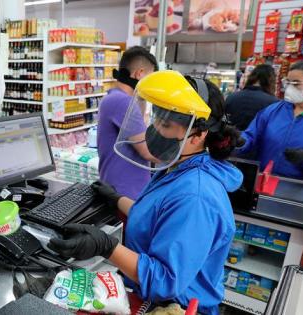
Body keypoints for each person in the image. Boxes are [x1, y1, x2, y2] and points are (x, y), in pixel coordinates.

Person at [50, 71, 243, 315]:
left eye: (165, 124)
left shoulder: (196, 196)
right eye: (156, 119)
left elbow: (165, 281)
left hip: (173, 307)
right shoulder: (179, 168)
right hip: (151, 295)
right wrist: (117, 199)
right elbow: (160, 218)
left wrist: (106, 246)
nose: (154, 129)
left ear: (198, 134)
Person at [97, 46, 159, 212]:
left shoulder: (117, 98)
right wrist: (183, 155)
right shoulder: (122, 102)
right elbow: (146, 151)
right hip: (125, 195)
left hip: (123, 190)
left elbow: (141, 126)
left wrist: (144, 95)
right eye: (150, 77)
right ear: (139, 74)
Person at [237, 60, 303, 180]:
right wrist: (239, 141)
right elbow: (251, 136)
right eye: (288, 83)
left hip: (300, 189)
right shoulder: (273, 111)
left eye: (296, 83)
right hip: (263, 182)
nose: (290, 88)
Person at [225, 64, 279, 130]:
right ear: (271, 81)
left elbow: (224, 123)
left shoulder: (231, 97)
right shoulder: (274, 103)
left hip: (233, 138)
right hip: (259, 140)